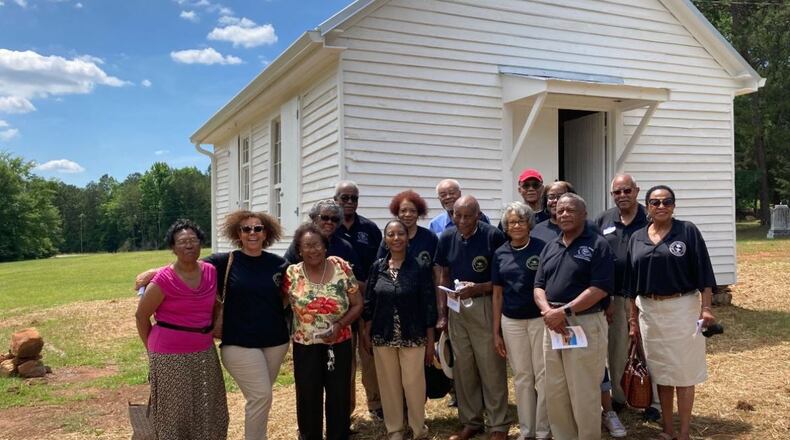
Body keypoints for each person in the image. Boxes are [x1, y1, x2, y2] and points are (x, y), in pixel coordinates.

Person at [135, 210, 290, 440]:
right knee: (261, 396)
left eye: (258, 228)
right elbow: (186, 264)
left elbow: (294, 288)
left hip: (274, 343)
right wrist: (153, 272)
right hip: (238, 343)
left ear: (266, 233)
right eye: (246, 229)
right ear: (238, 234)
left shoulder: (280, 264)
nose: (253, 233)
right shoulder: (223, 262)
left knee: (253, 400)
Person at [625, 185, 717, 440]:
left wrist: (706, 308)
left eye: (667, 202)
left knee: (684, 373)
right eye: (655, 202)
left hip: (683, 308)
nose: (661, 206)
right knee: (662, 373)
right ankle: (667, 429)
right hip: (649, 312)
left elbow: (704, 273)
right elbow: (630, 285)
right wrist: (632, 320)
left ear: (674, 205)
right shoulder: (637, 238)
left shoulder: (687, 231)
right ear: (647, 207)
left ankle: (684, 432)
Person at [135, 219, 229, 440]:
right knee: (175, 413)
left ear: (200, 243)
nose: (188, 245)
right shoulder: (163, 280)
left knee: (208, 406)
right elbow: (141, 316)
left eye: (193, 240)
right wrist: (151, 351)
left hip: (204, 352)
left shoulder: (210, 272)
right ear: (173, 248)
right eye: (182, 242)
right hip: (169, 355)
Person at [534, 193, 614, 440]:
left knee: (583, 390)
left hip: (583, 322)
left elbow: (599, 288)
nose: (564, 214)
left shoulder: (598, 245)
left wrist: (564, 311)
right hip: (553, 325)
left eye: (570, 210)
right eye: (560, 211)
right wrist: (549, 312)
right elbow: (538, 286)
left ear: (584, 215)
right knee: (556, 390)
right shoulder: (551, 246)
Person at [435, 195, 512, 440]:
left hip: (484, 304)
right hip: (457, 308)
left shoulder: (493, 236)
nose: (462, 220)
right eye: (457, 215)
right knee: (464, 367)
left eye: (467, 216)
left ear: (478, 215)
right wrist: (443, 314)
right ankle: (471, 421)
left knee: (491, 367)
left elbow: (503, 279)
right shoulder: (447, 237)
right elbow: (444, 274)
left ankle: (498, 423)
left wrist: (478, 288)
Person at [283, 222, 363, 440]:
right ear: (299, 250)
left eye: (317, 245)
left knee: (339, 396)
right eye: (307, 246)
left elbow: (357, 304)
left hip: (339, 342)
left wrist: (339, 325)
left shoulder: (341, 267)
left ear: (325, 246)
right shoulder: (292, 273)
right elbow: (276, 304)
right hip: (305, 346)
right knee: (308, 396)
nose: (313, 250)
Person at [362, 219, 437, 440]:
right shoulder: (378, 267)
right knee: (389, 386)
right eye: (391, 234)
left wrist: (430, 340)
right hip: (383, 335)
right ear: (385, 239)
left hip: (413, 335)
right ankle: (395, 429)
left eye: (400, 234)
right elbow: (369, 302)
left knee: (414, 385)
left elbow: (429, 304)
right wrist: (367, 331)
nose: (396, 238)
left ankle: (418, 429)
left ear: (407, 238)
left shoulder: (419, 267)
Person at [595, 174, 658, 426]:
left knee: (649, 348)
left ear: (637, 191)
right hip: (614, 296)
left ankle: (654, 402)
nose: (622, 195)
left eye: (627, 190)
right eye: (617, 192)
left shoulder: (650, 218)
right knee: (617, 350)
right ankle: (621, 397)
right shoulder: (603, 220)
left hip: (644, 295)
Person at [491, 202, 550, 440]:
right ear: (506, 226)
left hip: (539, 320)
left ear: (529, 224)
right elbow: (497, 294)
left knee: (543, 375)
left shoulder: (542, 248)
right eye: (512, 222)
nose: (516, 226)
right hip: (512, 322)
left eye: (521, 221)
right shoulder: (500, 253)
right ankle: (527, 431)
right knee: (523, 376)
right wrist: (496, 331)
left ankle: (544, 430)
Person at [334, 181, 383, 420]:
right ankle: (346, 410)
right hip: (338, 307)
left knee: (370, 355)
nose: (350, 202)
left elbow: (380, 264)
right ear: (336, 200)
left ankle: (376, 404)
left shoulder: (370, 229)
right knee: (345, 361)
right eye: (345, 197)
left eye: (354, 198)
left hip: (366, 302)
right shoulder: (328, 227)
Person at [376, 190, 438, 267]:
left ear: (418, 213)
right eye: (403, 211)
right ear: (397, 213)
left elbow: (437, 267)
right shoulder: (390, 238)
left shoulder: (430, 237)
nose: (408, 214)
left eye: (413, 211)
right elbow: (380, 266)